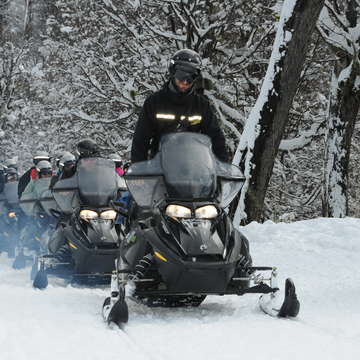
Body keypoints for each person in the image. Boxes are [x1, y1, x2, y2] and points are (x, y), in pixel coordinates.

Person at [131, 49, 229, 163]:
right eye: (181, 76)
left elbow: (216, 138)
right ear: (173, 73)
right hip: (159, 168)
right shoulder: (154, 102)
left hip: (194, 167)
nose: (185, 82)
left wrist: (223, 167)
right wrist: (139, 172)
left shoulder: (201, 105)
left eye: (191, 77)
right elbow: (140, 140)